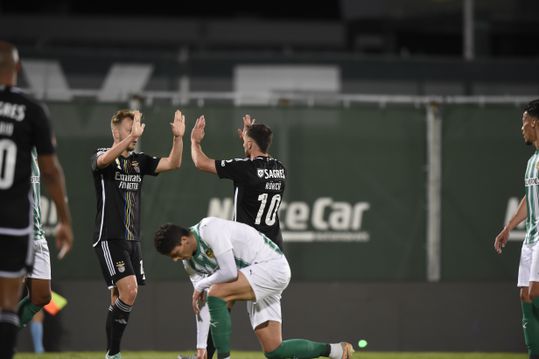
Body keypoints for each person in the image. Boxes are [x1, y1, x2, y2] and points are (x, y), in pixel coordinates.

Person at [154, 217, 354, 359]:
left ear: (184, 240)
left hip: (271, 266)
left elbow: (230, 272)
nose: (176, 259)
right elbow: (202, 303)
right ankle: (335, 350)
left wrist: (203, 284)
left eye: (175, 253)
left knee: (217, 292)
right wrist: (200, 347)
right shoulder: (189, 263)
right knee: (274, 350)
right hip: (255, 277)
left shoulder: (208, 229)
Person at [190, 114, 286, 359]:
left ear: (251, 145)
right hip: (274, 251)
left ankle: (212, 357)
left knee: (220, 296)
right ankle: (335, 351)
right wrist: (248, 136)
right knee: (274, 348)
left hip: (251, 253)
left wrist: (195, 142)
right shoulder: (279, 169)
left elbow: (201, 163)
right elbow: (258, 166)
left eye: (246, 141)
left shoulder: (245, 169)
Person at [92, 108, 185, 359]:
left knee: (119, 297)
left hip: (132, 238)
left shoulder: (138, 161)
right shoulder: (104, 155)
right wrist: (127, 139)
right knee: (130, 291)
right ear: (115, 131)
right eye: (128, 129)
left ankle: (112, 353)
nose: (134, 134)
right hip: (110, 237)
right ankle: (114, 353)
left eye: (136, 129)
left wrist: (178, 138)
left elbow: (173, 163)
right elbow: (102, 162)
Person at [0, 41, 73, 359]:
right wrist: (66, 219)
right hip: (15, 223)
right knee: (7, 299)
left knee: (41, 295)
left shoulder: (32, 128)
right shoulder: (30, 112)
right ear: (17, 68)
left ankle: (6, 329)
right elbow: (53, 173)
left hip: (31, 227)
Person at [495, 99, 539, 359]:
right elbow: (529, 197)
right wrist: (509, 227)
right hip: (532, 237)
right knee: (525, 296)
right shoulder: (532, 160)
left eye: (523, 123)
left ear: (534, 123)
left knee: (535, 291)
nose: (521, 128)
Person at [18, 148, 73, 354]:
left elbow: (52, 172)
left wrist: (64, 221)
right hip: (14, 232)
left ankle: (9, 329)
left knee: (42, 297)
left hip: (37, 234)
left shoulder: (35, 151)